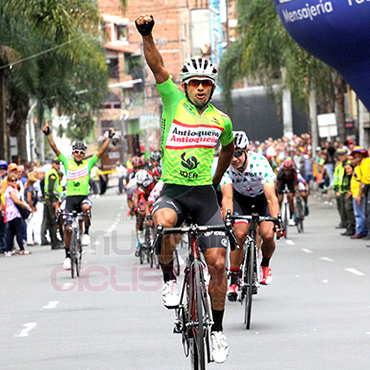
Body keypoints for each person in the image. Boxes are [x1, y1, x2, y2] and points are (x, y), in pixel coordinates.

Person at [135, 13, 234, 363]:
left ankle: (218, 331)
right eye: (195, 82)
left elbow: (228, 148)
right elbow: (158, 66)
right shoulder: (173, 100)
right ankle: (168, 278)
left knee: (218, 263)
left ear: (213, 87)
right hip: (175, 190)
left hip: (204, 195)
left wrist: (217, 179)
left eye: (206, 82)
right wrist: (147, 34)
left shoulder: (222, 121)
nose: (201, 87)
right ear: (187, 85)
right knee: (162, 224)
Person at [42, 124, 115, 270]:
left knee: (87, 208)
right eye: (76, 152)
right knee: (68, 228)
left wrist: (109, 138)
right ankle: (68, 256)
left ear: (84, 154)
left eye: (81, 152)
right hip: (70, 199)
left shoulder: (88, 164)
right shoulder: (67, 163)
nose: (79, 154)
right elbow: (55, 148)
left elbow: (101, 151)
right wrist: (47, 134)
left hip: (82, 198)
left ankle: (86, 232)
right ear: (73, 153)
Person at [220, 131, 282, 301]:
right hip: (241, 200)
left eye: (238, 153)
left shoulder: (260, 163)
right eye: (230, 154)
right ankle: (233, 278)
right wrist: (227, 220)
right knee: (238, 234)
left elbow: (271, 198)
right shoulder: (224, 165)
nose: (234, 159)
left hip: (262, 199)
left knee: (268, 235)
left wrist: (277, 221)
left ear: (246, 150)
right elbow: (227, 198)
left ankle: (265, 264)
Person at [3, 172, 32, 256]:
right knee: (18, 231)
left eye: (16, 180)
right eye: (12, 180)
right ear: (8, 181)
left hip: (10, 213)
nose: (14, 182)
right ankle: (22, 249)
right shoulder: (11, 190)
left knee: (11, 232)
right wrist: (26, 205)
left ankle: (8, 249)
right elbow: (16, 200)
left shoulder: (11, 189)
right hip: (14, 212)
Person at [333, 149, 355, 236]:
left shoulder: (349, 164)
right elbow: (337, 178)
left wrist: (350, 190)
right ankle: (346, 225)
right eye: (339, 155)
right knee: (342, 209)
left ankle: (351, 228)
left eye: (342, 155)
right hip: (341, 190)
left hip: (348, 190)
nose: (341, 157)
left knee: (348, 209)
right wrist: (336, 189)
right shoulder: (339, 166)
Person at [43, 157, 63, 249]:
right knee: (54, 221)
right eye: (57, 163)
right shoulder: (53, 174)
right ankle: (55, 241)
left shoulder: (51, 172)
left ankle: (54, 241)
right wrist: (53, 201)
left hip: (49, 199)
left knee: (52, 221)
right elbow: (51, 188)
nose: (58, 165)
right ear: (53, 164)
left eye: (59, 164)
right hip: (52, 200)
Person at [276, 158, 298, 226]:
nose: (287, 172)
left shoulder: (294, 173)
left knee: (291, 198)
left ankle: (291, 216)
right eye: (286, 170)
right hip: (282, 182)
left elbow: (295, 183)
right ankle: (278, 215)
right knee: (279, 200)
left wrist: (295, 192)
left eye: (289, 171)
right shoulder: (280, 173)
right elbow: (276, 183)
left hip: (290, 182)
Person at [24, 171, 39, 246]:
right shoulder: (29, 188)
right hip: (28, 208)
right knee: (30, 224)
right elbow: (29, 199)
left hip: (30, 206)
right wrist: (32, 207)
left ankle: (31, 239)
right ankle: (29, 240)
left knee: (31, 224)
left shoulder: (30, 187)